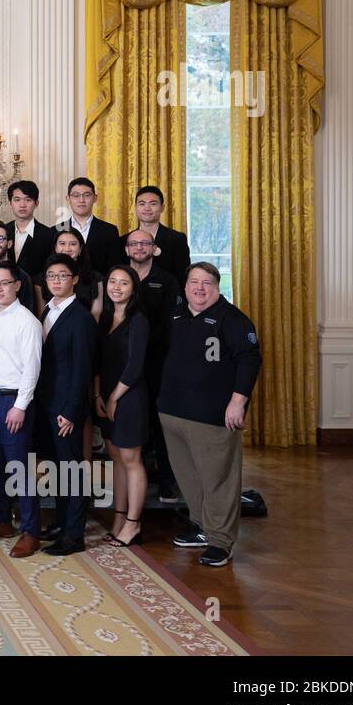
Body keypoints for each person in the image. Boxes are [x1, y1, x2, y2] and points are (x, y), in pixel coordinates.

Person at [159, 263, 261, 567]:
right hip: (173, 412)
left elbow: (250, 360)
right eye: (193, 282)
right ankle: (203, 526)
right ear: (186, 286)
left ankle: (221, 540)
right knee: (189, 477)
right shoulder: (176, 315)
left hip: (213, 416)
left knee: (218, 479)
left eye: (206, 283)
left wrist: (237, 402)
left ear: (217, 287)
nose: (199, 288)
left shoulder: (233, 319)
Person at [0, 261, 43, 559]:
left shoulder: (28, 321)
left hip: (14, 401)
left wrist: (20, 406)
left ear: (17, 285)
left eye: (4, 283)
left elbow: (32, 368)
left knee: (20, 468)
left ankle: (31, 531)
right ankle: (2, 520)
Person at [34, 253, 97, 557]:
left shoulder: (81, 317)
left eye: (62, 276)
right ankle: (62, 523)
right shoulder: (47, 310)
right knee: (57, 470)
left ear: (74, 279)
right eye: (51, 276)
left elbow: (83, 370)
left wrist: (71, 411)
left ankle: (74, 535)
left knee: (70, 471)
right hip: (46, 403)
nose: (56, 281)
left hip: (65, 409)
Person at [124, 227, 183, 502]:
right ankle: (134, 482)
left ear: (154, 248)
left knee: (161, 423)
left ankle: (168, 481)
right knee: (135, 422)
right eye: (133, 244)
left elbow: (174, 323)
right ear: (126, 249)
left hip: (159, 362)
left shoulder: (168, 280)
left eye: (144, 243)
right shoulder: (120, 279)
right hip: (126, 364)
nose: (138, 248)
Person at [95, 265, 151, 548]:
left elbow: (135, 366)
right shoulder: (104, 317)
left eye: (124, 283)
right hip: (106, 398)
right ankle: (118, 517)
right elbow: (98, 362)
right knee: (116, 460)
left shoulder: (138, 320)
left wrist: (114, 397)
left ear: (134, 288)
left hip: (129, 398)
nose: (116, 287)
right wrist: (98, 396)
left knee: (131, 461)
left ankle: (133, 523)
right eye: (112, 281)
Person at [124, 185, 190, 281]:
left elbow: (183, 276)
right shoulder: (124, 240)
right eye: (142, 204)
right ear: (135, 207)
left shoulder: (177, 239)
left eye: (153, 204)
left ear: (162, 207)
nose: (147, 208)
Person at [58, 177, 121, 277]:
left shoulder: (109, 231)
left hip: (98, 288)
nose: (81, 200)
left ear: (95, 198)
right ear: (68, 199)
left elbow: (114, 268)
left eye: (87, 195)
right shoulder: (58, 230)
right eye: (76, 196)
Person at [38, 228, 104, 320]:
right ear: (55, 247)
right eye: (62, 244)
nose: (67, 249)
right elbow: (42, 312)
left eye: (73, 244)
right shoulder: (41, 278)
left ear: (80, 248)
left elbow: (96, 312)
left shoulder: (95, 277)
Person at [5, 180, 56, 280]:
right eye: (17, 200)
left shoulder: (49, 235)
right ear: (10, 203)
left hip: (35, 292)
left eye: (28, 200)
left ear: (36, 203)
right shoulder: (3, 231)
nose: (22, 205)